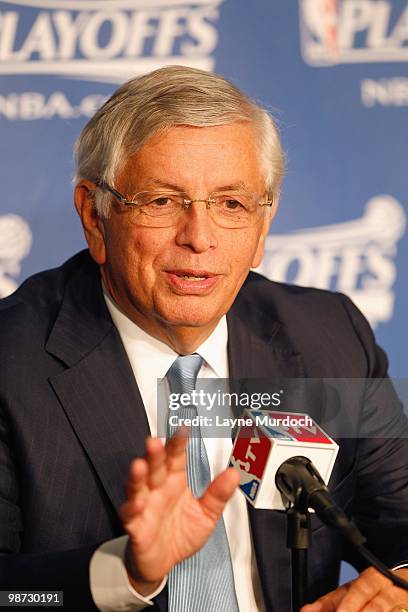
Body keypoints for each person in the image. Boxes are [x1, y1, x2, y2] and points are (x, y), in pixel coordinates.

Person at [0, 65, 407, 612]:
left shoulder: (329, 335)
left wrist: (395, 585)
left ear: (263, 228)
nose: (199, 237)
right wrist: (126, 571)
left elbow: (402, 519)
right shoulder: (11, 363)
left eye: (231, 204)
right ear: (95, 218)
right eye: (162, 201)